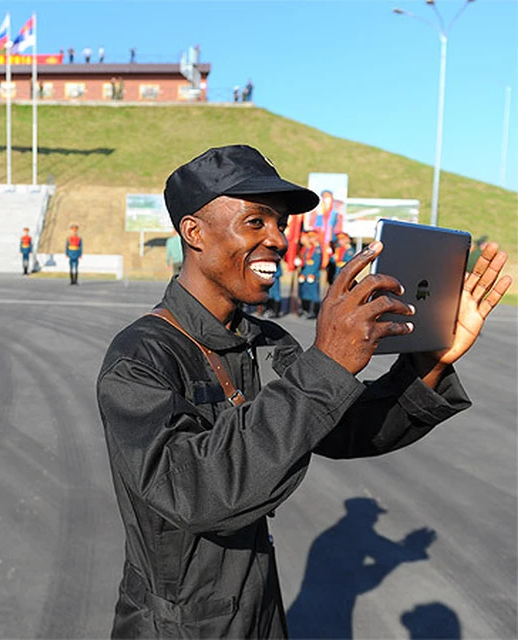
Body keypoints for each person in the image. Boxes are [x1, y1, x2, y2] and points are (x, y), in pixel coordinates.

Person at [96, 144, 511, 638]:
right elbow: (198, 493)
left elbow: (347, 428)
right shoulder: (140, 358)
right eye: (256, 222)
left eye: (280, 225)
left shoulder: (266, 341)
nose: (277, 239)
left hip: (261, 613)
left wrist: (428, 364)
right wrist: (327, 362)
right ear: (194, 232)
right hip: (175, 626)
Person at [296, 229, 322, 318]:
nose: (310, 239)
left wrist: (312, 274)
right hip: (305, 273)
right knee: (304, 292)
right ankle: (305, 310)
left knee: (313, 294)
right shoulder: (307, 249)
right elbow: (305, 260)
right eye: (309, 237)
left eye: (312, 237)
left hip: (312, 274)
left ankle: (313, 311)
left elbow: (316, 263)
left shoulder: (317, 249)